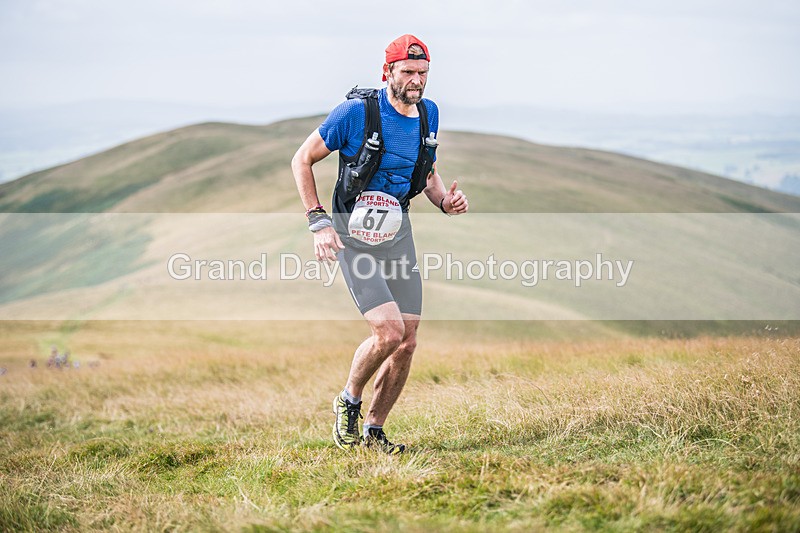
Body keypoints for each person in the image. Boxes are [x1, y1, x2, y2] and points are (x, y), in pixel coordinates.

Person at [291, 34, 468, 454]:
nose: (416, 81)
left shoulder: (429, 114)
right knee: (388, 332)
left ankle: (374, 431)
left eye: (422, 73)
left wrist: (444, 200)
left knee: (408, 338)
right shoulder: (355, 113)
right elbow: (302, 159)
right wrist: (318, 221)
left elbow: (425, 172)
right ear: (386, 72)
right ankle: (348, 400)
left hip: (396, 233)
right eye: (407, 72)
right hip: (352, 236)